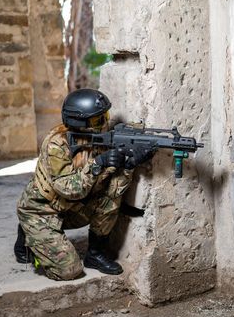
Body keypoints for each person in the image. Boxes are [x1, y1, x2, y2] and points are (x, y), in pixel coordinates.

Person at [13, 89, 151, 280]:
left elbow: (109, 184)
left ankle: (95, 254)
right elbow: (69, 190)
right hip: (42, 210)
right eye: (97, 120)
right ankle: (28, 232)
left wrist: (129, 163)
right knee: (69, 271)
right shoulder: (57, 145)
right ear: (79, 122)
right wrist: (99, 163)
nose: (104, 123)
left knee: (110, 195)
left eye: (105, 116)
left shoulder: (97, 135)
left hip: (70, 209)